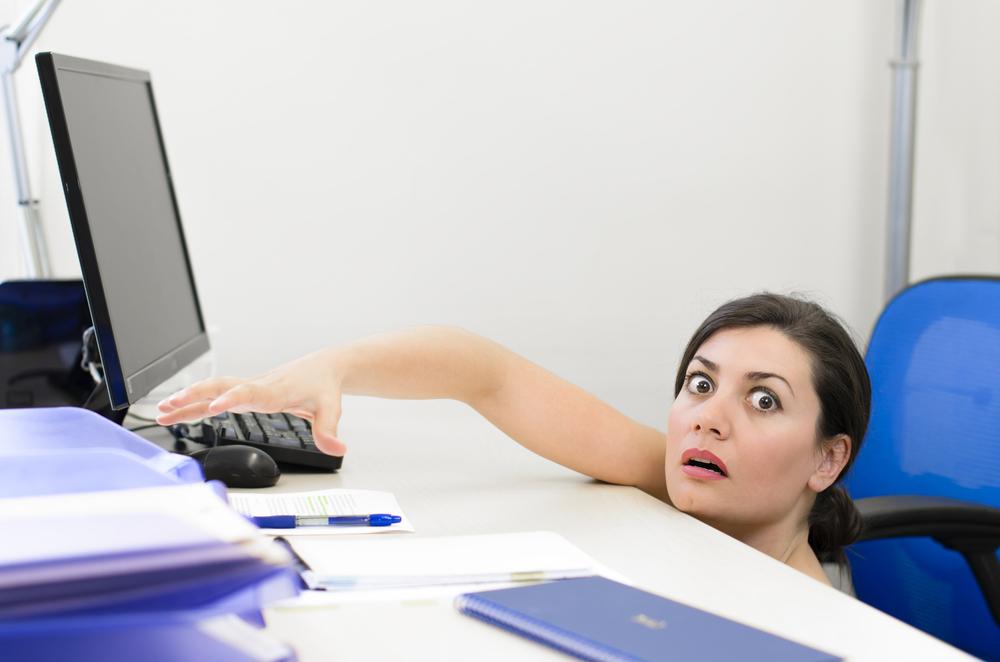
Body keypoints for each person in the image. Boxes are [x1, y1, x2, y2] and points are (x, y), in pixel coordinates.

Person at [157, 293, 870, 586]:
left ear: (828, 458)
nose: (710, 418)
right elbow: (486, 373)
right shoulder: (681, 473)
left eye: (764, 400)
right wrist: (335, 367)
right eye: (701, 383)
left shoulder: (809, 622)